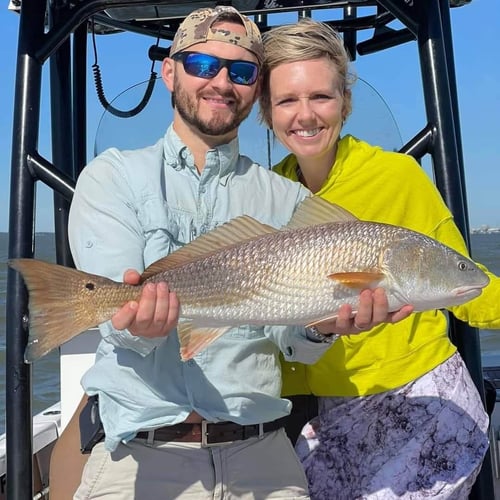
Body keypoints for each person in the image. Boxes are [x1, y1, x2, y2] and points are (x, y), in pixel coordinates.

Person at [49, 8, 413, 499]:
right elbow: (119, 317)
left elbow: (291, 341)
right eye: (203, 64)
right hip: (141, 454)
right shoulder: (113, 176)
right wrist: (134, 321)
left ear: (254, 89)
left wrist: (321, 326)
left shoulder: (290, 200)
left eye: (241, 72)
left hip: (262, 456)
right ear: (170, 70)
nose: (221, 81)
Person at [259, 18, 500, 499]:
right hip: (324, 414)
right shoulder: (265, 194)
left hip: (422, 400)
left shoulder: (397, 176)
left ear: (344, 103)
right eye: (287, 100)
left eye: (321, 97)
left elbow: (462, 283)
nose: (305, 115)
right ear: (266, 111)